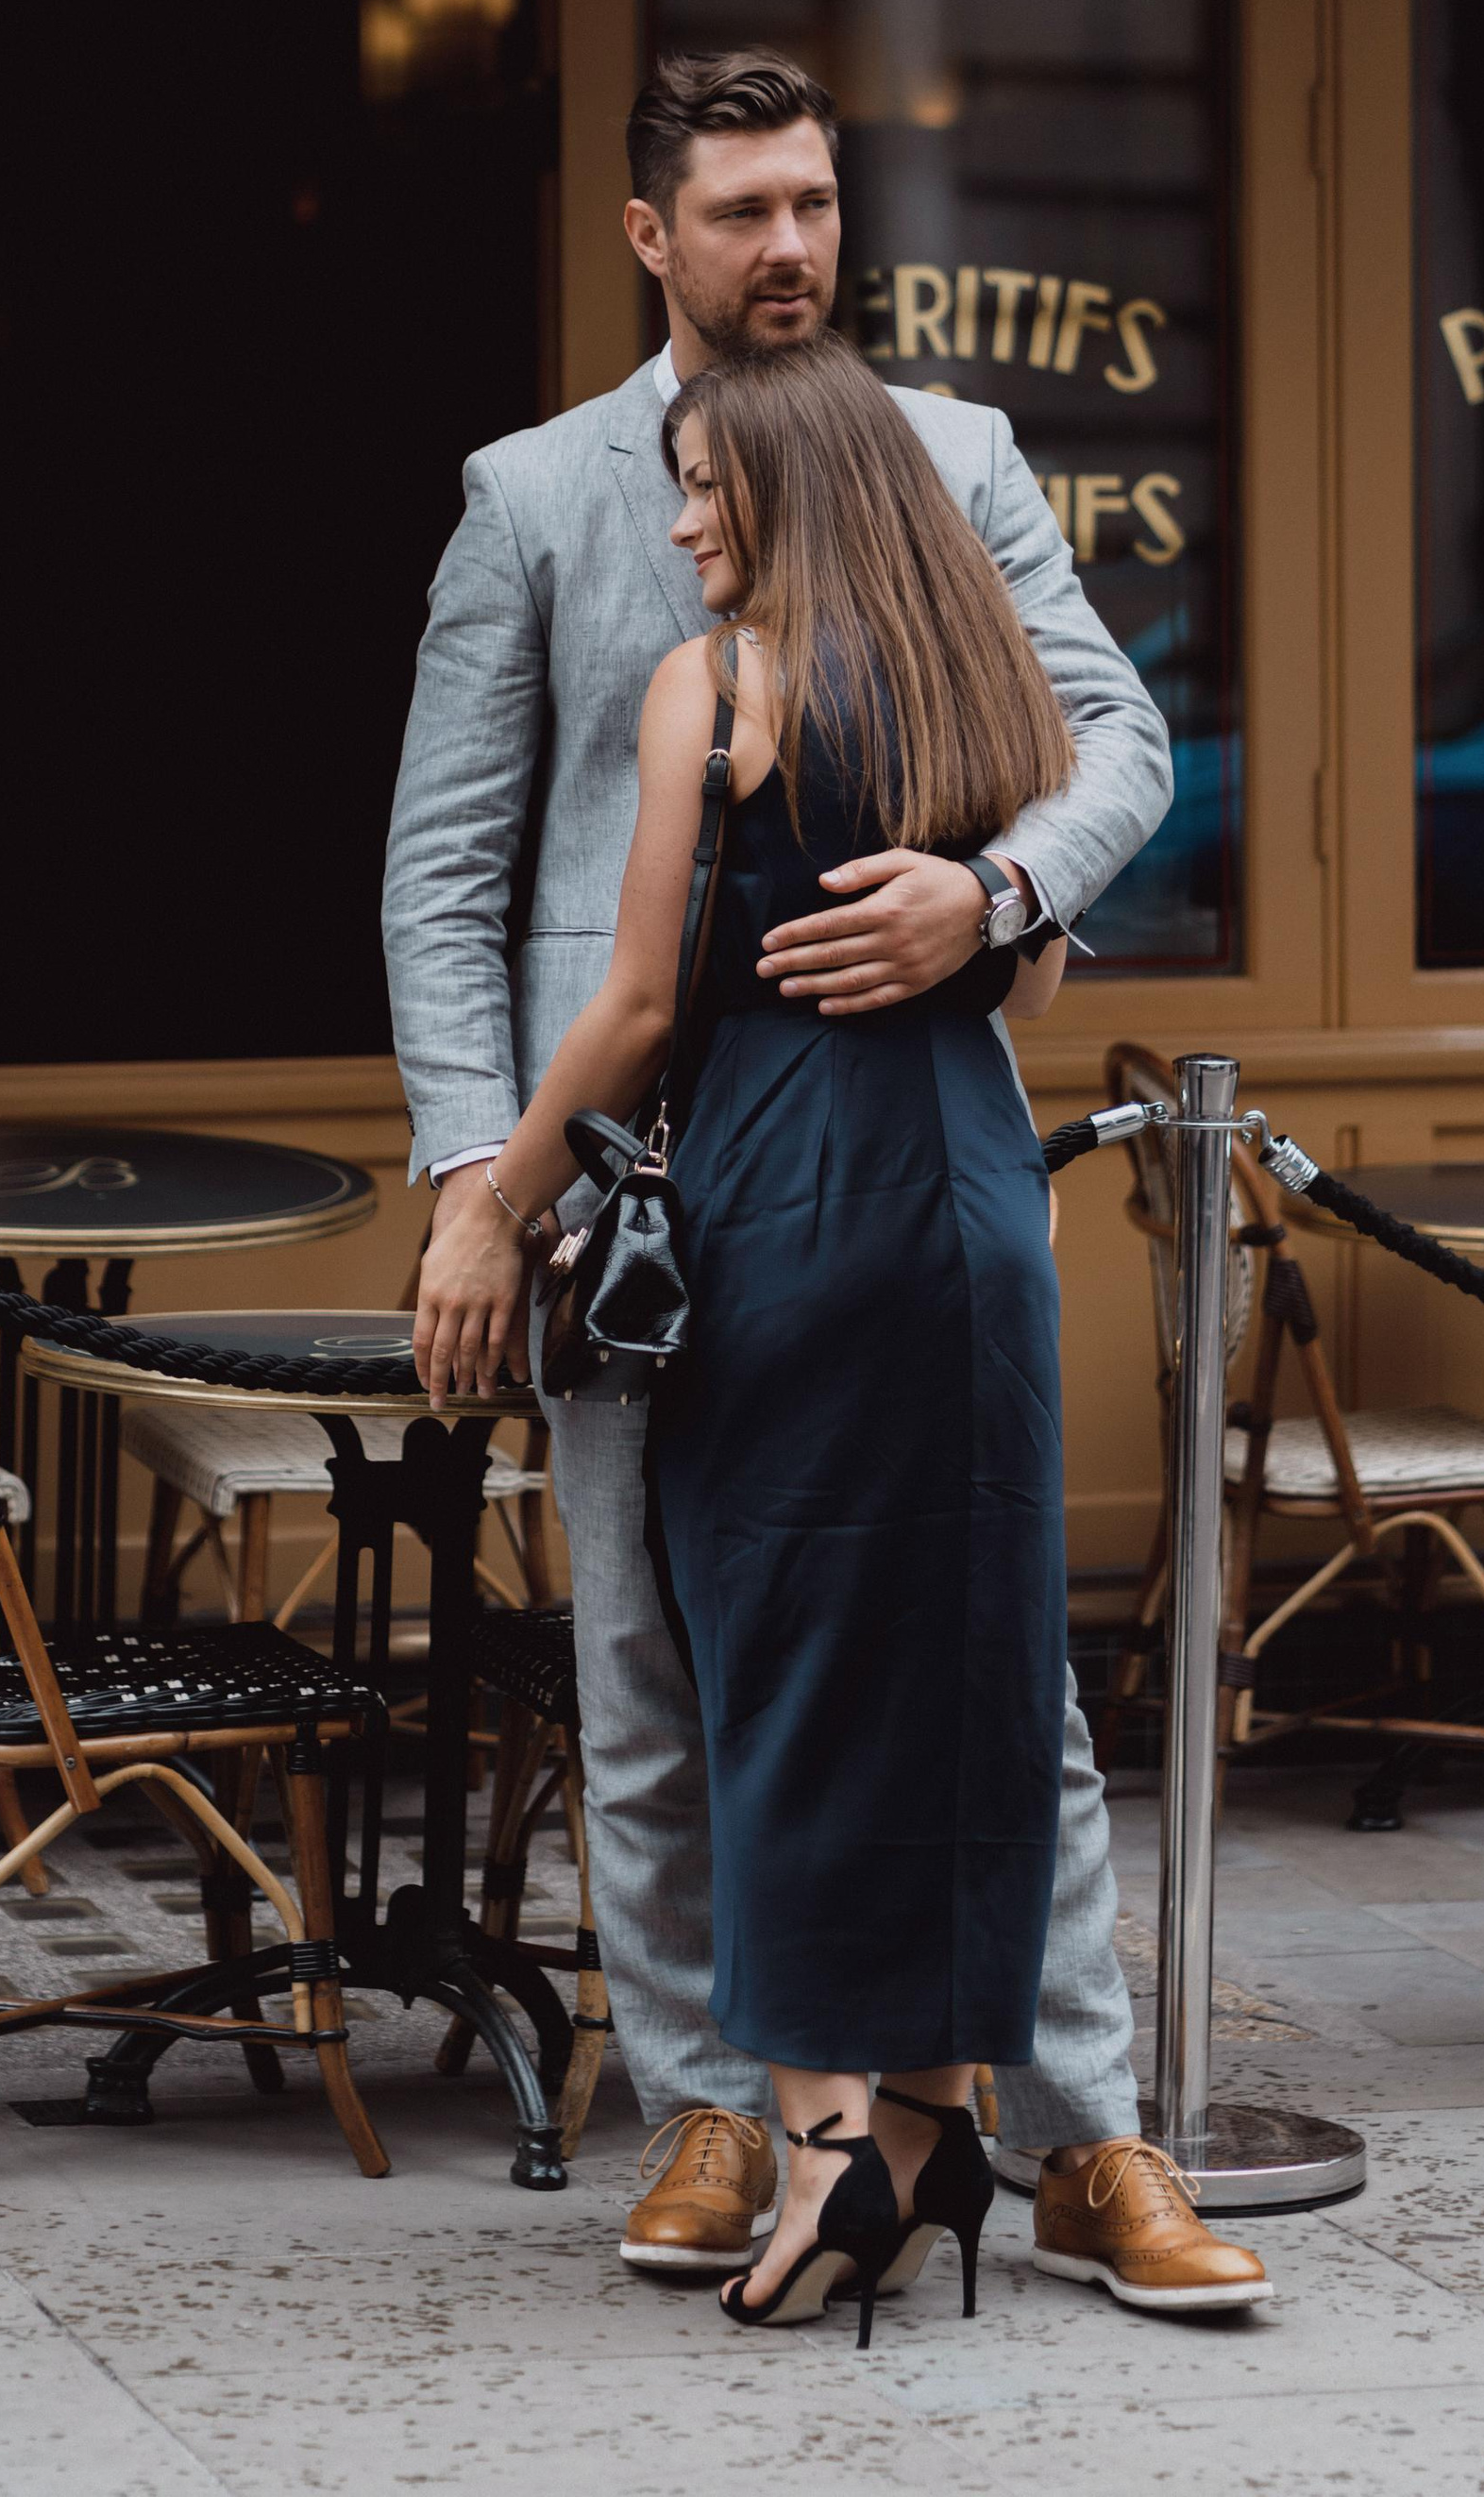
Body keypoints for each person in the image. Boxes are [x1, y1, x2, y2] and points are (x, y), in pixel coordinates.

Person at [385, 47, 1269, 2317]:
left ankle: (1077, 2133)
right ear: (645, 234)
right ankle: (710, 2094)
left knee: (1000, 1668)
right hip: (626, 1182)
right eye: (742, 210)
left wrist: (988, 893)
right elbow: (450, 868)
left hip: (899, 1146)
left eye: (815, 203)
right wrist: (487, 1175)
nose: (789, 248)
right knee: (657, 1654)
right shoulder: (531, 490)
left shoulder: (953, 452)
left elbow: (1123, 740)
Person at [476, 334, 1081, 2337]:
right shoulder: (991, 682)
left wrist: (496, 1191)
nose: (678, 523)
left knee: (777, 1659)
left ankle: (824, 2146)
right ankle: (930, 2120)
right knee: (967, 1658)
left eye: (708, 490)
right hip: (978, 1206)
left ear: (790, 489)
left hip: (788, 1207)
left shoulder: (709, 687)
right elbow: (1040, 962)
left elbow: (643, 1006)